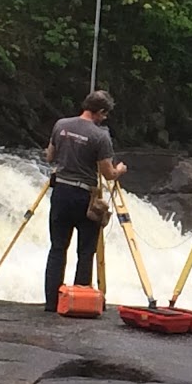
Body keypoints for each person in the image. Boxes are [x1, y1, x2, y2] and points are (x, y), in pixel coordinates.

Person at [43, 90, 128, 311]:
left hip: (60, 191)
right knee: (85, 250)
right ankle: (79, 302)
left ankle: (51, 303)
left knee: (57, 248)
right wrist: (120, 170)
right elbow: (107, 173)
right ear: (99, 111)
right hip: (85, 197)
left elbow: (49, 156)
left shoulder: (61, 124)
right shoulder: (101, 137)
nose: (105, 118)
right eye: (105, 114)